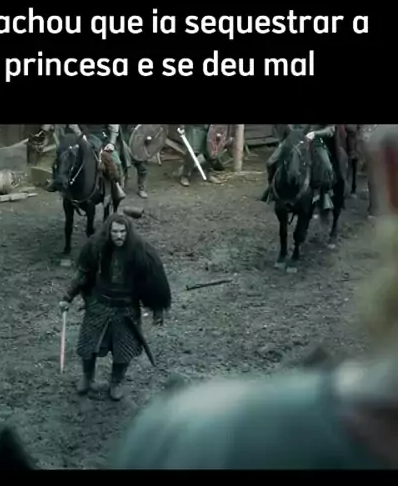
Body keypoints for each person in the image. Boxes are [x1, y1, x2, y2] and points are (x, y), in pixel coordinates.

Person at [112, 126, 398, 468]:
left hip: (316, 138)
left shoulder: (172, 439)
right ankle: (272, 191)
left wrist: (315, 134)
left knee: (328, 165)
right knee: (275, 160)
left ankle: (325, 197)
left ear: (388, 169)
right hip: (294, 138)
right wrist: (292, 134)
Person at [59, 213, 172, 401]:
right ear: (109, 232)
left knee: (123, 351)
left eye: (122, 232)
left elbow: (152, 282)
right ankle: (87, 377)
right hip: (99, 305)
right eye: (115, 232)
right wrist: (67, 297)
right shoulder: (96, 246)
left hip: (126, 310)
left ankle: (116, 382)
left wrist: (157, 310)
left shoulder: (140, 250)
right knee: (87, 346)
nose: (119, 236)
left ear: (128, 232)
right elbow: (82, 274)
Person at [46, 124, 126, 199]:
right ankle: (57, 180)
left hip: (100, 136)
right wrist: (79, 134)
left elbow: (114, 126)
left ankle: (116, 185)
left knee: (115, 160)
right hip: (80, 135)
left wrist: (112, 143)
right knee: (64, 153)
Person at [120, 124, 149, 199]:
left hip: (139, 141)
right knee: (123, 166)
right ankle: (121, 187)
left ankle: (141, 188)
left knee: (142, 167)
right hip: (125, 140)